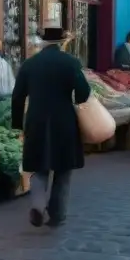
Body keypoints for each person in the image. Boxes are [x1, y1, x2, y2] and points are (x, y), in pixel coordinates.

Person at [12, 27, 91, 228]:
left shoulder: (29, 64)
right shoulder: (70, 62)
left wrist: (16, 125)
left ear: (42, 42)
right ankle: (57, 215)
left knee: (39, 167)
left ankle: (38, 205)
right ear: (62, 41)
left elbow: (17, 96)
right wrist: (76, 99)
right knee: (63, 170)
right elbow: (83, 92)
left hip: (36, 120)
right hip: (64, 120)